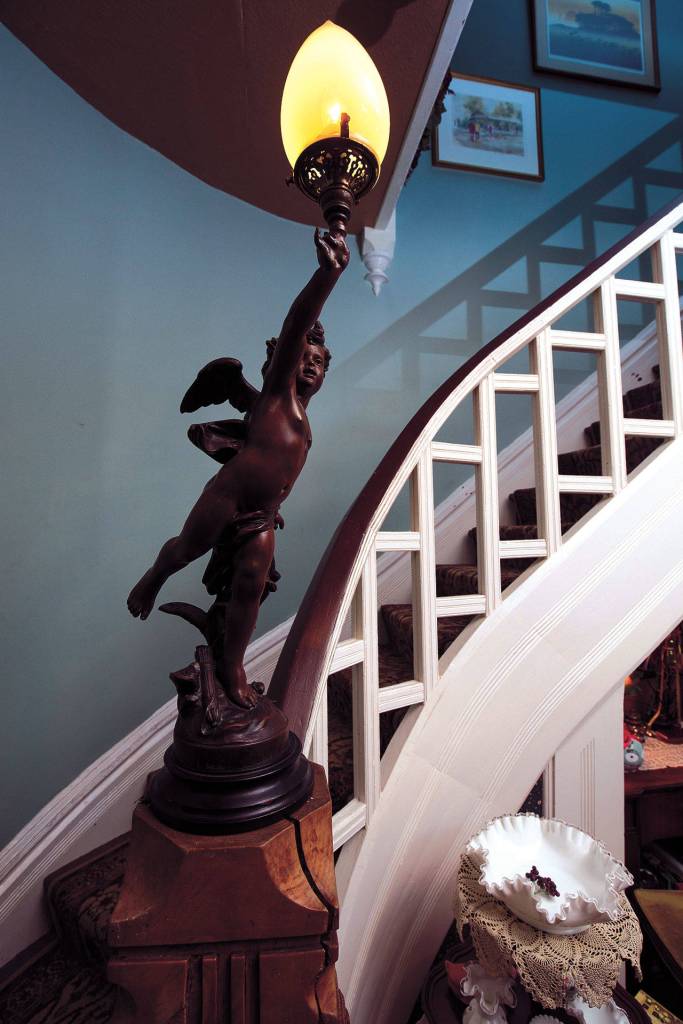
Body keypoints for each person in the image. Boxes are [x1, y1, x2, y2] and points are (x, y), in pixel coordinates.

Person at [127, 229, 349, 708]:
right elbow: (297, 321)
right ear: (285, 361)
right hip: (228, 496)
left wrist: (273, 505)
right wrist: (328, 275)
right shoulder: (276, 398)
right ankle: (153, 577)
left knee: (251, 584)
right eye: (303, 357)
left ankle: (232, 665)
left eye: (319, 362)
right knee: (187, 548)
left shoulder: (301, 420)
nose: (310, 366)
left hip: (262, 515)